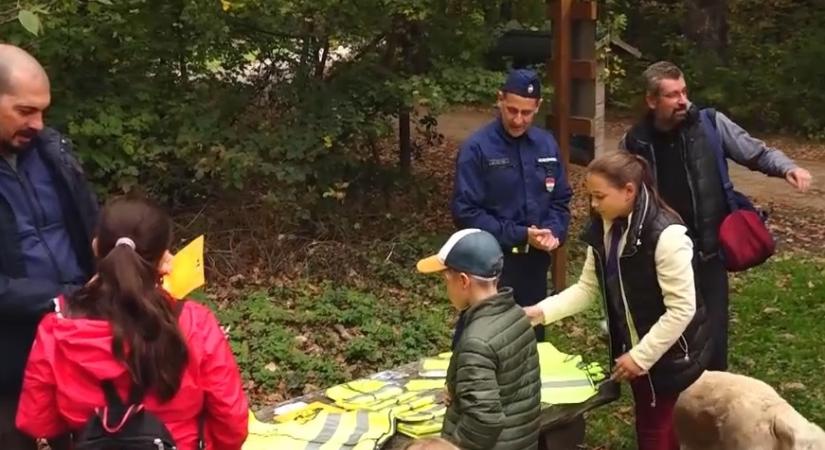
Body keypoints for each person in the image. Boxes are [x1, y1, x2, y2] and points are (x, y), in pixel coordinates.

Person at [619, 61, 812, 371]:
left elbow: (756, 152)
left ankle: (714, 402)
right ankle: (674, 402)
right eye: (672, 95)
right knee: (671, 334)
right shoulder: (634, 142)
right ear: (652, 100)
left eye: (684, 92)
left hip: (709, 254)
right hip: (664, 257)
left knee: (714, 339)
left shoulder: (709, 124)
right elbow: (620, 190)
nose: (683, 100)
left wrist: (788, 167)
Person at [15, 195, 249, 449]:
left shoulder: (56, 328)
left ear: (96, 247)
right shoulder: (195, 323)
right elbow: (232, 422)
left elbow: (37, 421)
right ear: (164, 260)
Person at [524, 151, 710, 450]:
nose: (594, 206)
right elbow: (586, 289)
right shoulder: (604, 227)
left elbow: (682, 308)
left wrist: (641, 356)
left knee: (657, 432)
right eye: (591, 197)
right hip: (639, 350)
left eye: (600, 196)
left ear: (629, 191)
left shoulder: (667, 236)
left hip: (672, 354)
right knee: (653, 426)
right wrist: (538, 313)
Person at [0, 44, 99, 449]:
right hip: (9, 355)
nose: (39, 123)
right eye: (25, 111)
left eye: (43, 110)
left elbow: (91, 221)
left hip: (77, 339)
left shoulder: (51, 152)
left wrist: (133, 250)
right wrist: (60, 298)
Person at [451, 68, 572, 343]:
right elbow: (465, 212)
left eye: (527, 113)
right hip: (491, 265)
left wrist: (554, 232)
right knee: (482, 341)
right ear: (500, 100)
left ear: (538, 107)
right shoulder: (477, 148)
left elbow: (561, 199)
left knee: (530, 342)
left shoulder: (546, 144)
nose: (518, 120)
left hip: (535, 264)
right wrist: (519, 233)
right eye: (512, 110)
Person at [418, 229, 540, 450]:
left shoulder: (477, 342)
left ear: (463, 281)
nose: (446, 287)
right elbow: (510, 386)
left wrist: (452, 446)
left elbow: (485, 420)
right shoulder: (515, 315)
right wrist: (457, 386)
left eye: (446, 278)